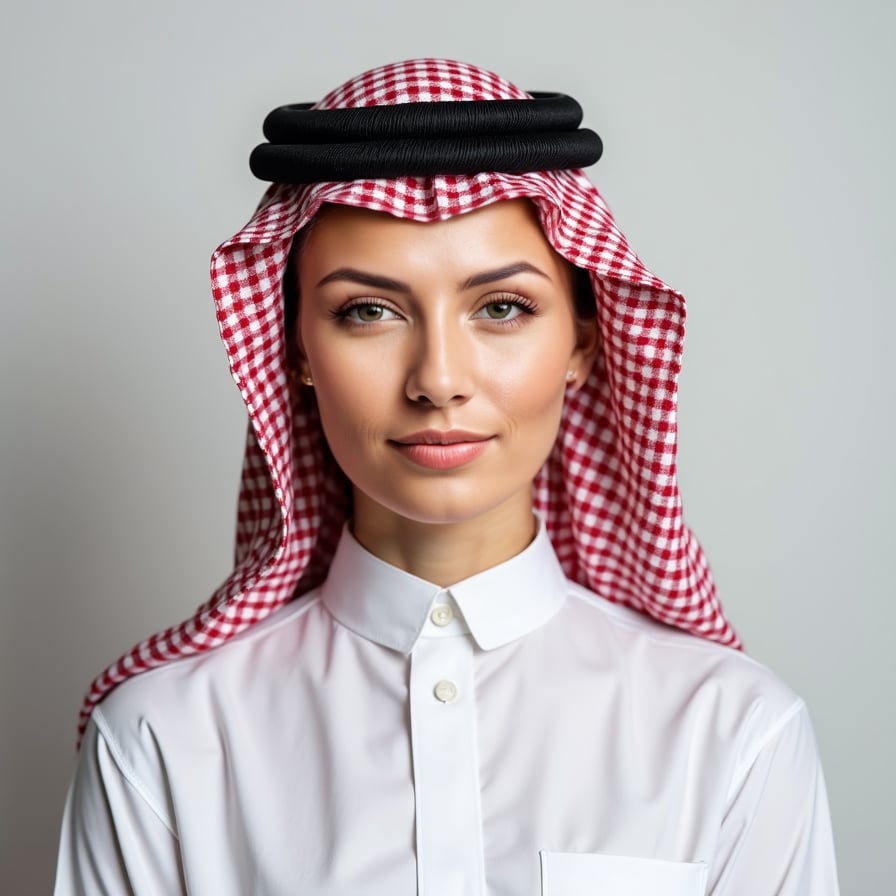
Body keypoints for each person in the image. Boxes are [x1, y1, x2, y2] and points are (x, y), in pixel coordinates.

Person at [53, 59, 840, 894]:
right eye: (369, 311)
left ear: (582, 344)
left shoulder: (732, 733)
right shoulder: (161, 742)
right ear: (296, 352)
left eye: (502, 308)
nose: (437, 378)